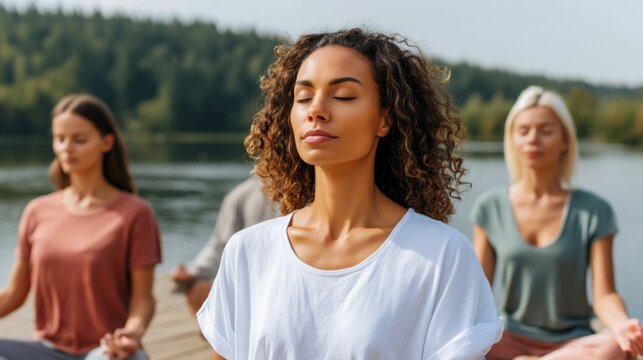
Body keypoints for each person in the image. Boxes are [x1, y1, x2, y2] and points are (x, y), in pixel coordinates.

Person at [197, 28, 503, 359]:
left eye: (342, 96)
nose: (316, 110)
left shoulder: (441, 257)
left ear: (385, 119)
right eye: (303, 98)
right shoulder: (248, 252)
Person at [470, 86, 643, 360]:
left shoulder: (594, 211)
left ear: (565, 140)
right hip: (509, 339)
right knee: (469, 341)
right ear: (512, 139)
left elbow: (604, 295)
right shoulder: (490, 208)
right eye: (523, 130)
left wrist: (622, 324)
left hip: (573, 344)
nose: (533, 139)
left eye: (546, 130)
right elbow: (477, 293)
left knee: (614, 345)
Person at [0, 94, 162, 360]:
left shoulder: (136, 213)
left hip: (105, 349)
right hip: (45, 350)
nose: (67, 148)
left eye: (79, 139)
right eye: (60, 138)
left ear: (106, 142)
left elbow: (144, 299)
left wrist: (131, 332)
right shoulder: (36, 211)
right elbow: (12, 294)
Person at [171, 176, 277, 315]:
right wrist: (193, 270)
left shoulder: (312, 193)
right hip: (250, 289)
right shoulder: (241, 195)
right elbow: (221, 246)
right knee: (198, 289)